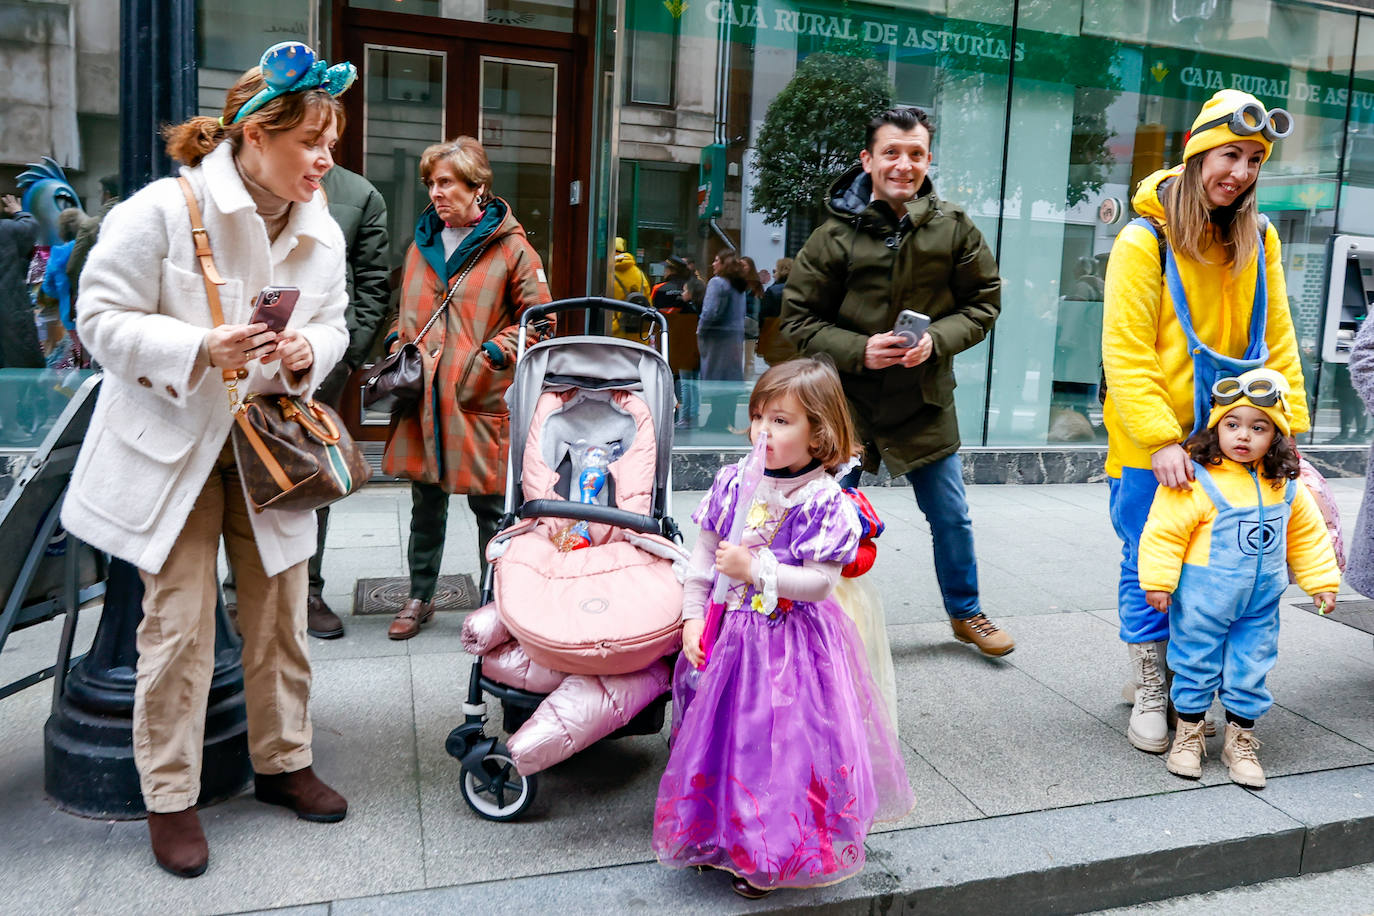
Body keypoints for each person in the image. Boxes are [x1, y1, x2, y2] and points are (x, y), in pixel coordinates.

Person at [58, 41, 355, 878]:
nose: (326, 157)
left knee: (280, 615)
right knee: (179, 629)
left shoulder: (320, 225)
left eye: (329, 139)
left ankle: (284, 762)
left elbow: (332, 322)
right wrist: (199, 345)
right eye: (310, 140)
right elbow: (99, 318)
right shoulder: (160, 208)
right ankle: (170, 796)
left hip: (269, 446)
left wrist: (309, 351)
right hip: (171, 444)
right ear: (256, 137)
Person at [653, 358, 913, 898]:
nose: (762, 432)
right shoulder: (732, 482)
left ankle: (768, 848)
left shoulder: (823, 500)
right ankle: (715, 833)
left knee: (779, 747)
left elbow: (820, 583)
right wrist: (693, 615)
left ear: (819, 434)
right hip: (729, 635)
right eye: (758, 418)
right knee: (722, 736)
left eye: (780, 421)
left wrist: (757, 569)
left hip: (792, 648)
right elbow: (703, 554)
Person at [1101, 90, 1309, 755]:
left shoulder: (1260, 235)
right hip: (1152, 442)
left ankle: (1187, 681)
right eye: (1230, 154)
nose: (1241, 172)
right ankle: (1150, 683)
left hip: (1235, 439)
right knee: (1150, 560)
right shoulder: (1145, 237)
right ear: (1196, 155)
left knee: (1214, 567)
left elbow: (1278, 334)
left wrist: (1290, 426)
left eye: (1254, 160)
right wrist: (1161, 436)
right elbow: (1125, 345)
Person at [780, 105, 1012, 657]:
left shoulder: (954, 228)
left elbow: (984, 304)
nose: (903, 165)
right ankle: (811, 615)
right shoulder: (832, 236)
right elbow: (797, 320)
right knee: (826, 514)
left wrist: (938, 341)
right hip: (845, 406)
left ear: (927, 159)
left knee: (951, 515)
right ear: (868, 159)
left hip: (924, 401)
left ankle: (966, 613)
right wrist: (861, 350)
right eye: (891, 152)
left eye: (914, 154)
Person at [381, 136, 552, 640]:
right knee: (424, 503)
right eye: (431, 183)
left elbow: (541, 322)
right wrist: (397, 339)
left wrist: (494, 354)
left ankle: (498, 598)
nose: (436, 193)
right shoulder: (421, 246)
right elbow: (407, 310)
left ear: (478, 187)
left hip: (479, 396)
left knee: (490, 508)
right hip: (424, 397)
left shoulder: (513, 248)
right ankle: (419, 595)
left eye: (447, 182)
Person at [1138, 369, 1337, 788]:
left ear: (1276, 436)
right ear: (1217, 428)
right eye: (1232, 424)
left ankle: (1240, 740)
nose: (1243, 436)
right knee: (1194, 662)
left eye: (1258, 427)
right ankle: (1190, 735)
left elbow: (1308, 535)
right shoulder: (1197, 480)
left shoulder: (1284, 486)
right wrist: (1158, 581)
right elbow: (1164, 531)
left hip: (1259, 604)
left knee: (1252, 666)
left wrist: (1321, 581)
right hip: (1203, 599)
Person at [300, 164, 390, 638]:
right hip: (251, 355)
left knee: (316, 471)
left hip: (327, 359)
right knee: (249, 473)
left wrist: (348, 352)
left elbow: (374, 281)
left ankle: (308, 591)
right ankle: (239, 596)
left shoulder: (359, 192)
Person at [697, 248, 748, 432]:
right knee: (729, 380)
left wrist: (700, 331)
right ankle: (726, 419)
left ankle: (716, 421)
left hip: (718, 339)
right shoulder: (739, 285)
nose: (713, 263)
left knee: (717, 380)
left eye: (716, 260)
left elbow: (709, 312)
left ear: (723, 263)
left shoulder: (717, 283)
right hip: (734, 338)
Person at [653, 255, 700, 429]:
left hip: (668, 337)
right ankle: (688, 412)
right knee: (687, 378)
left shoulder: (659, 288)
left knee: (669, 374)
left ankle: (671, 411)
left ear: (670, 270)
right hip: (688, 338)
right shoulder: (691, 287)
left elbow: (655, 313)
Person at [609, 235, 650, 340]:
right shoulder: (639, 273)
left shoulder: (607, 273)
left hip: (614, 332)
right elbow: (648, 301)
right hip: (638, 332)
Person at [756, 256, 793, 366]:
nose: (773, 274)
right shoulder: (801, 290)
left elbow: (763, 318)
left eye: (774, 271)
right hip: (794, 339)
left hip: (775, 338)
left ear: (782, 271)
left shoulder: (773, 291)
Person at [740, 255, 765, 378]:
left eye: (743, 265)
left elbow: (758, 307)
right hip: (741, 323)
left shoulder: (755, 285)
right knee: (739, 357)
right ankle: (741, 383)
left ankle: (748, 383)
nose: (741, 268)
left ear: (750, 267)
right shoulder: (737, 282)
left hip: (750, 324)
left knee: (749, 358)